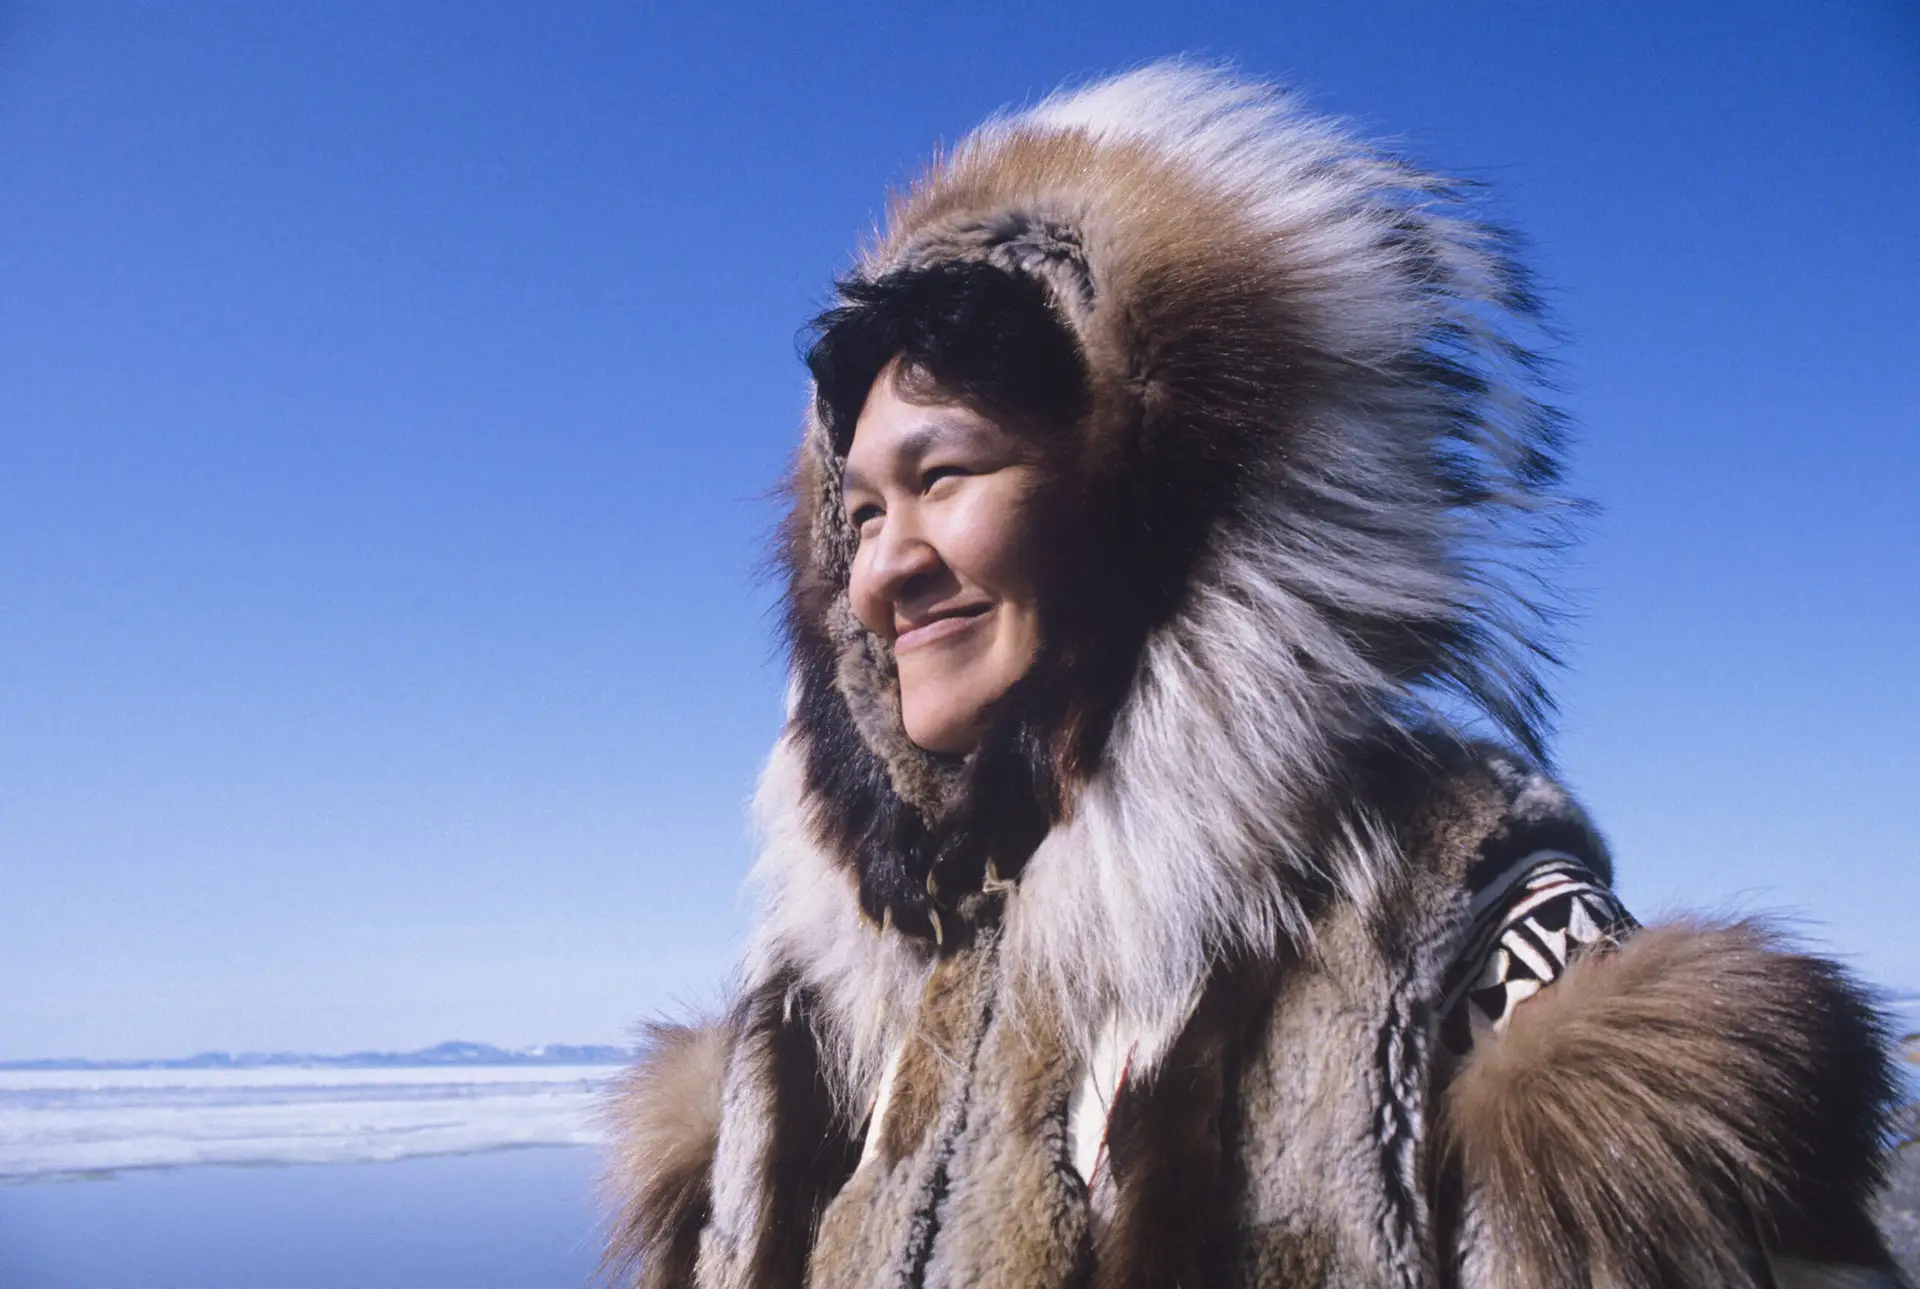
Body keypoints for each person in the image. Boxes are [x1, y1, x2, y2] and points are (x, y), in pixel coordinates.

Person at [605, 63, 1905, 1289]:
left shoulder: (1474, 957)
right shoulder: (817, 1030)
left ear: (1147, 494)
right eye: (863, 514)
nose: (887, 569)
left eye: (944, 476)